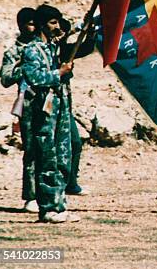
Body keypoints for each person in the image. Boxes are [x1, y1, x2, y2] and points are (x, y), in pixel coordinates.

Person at [21, 4, 79, 223]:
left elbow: (78, 48)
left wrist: (87, 32)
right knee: (46, 158)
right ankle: (47, 208)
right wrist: (58, 73)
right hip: (44, 113)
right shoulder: (32, 49)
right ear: (43, 25)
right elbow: (33, 77)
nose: (57, 27)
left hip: (60, 109)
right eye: (53, 22)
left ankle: (60, 204)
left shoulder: (55, 48)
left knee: (62, 157)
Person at [0, 7, 38, 213]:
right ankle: (30, 196)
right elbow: (5, 78)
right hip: (28, 104)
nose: (33, 26)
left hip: (49, 103)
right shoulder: (13, 51)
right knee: (31, 150)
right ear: (21, 25)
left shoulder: (44, 46)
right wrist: (23, 66)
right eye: (30, 23)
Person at [56, 17, 95, 196]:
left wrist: (90, 30)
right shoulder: (42, 51)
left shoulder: (64, 51)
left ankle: (70, 183)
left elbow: (86, 47)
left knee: (75, 143)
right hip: (47, 106)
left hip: (64, 106)